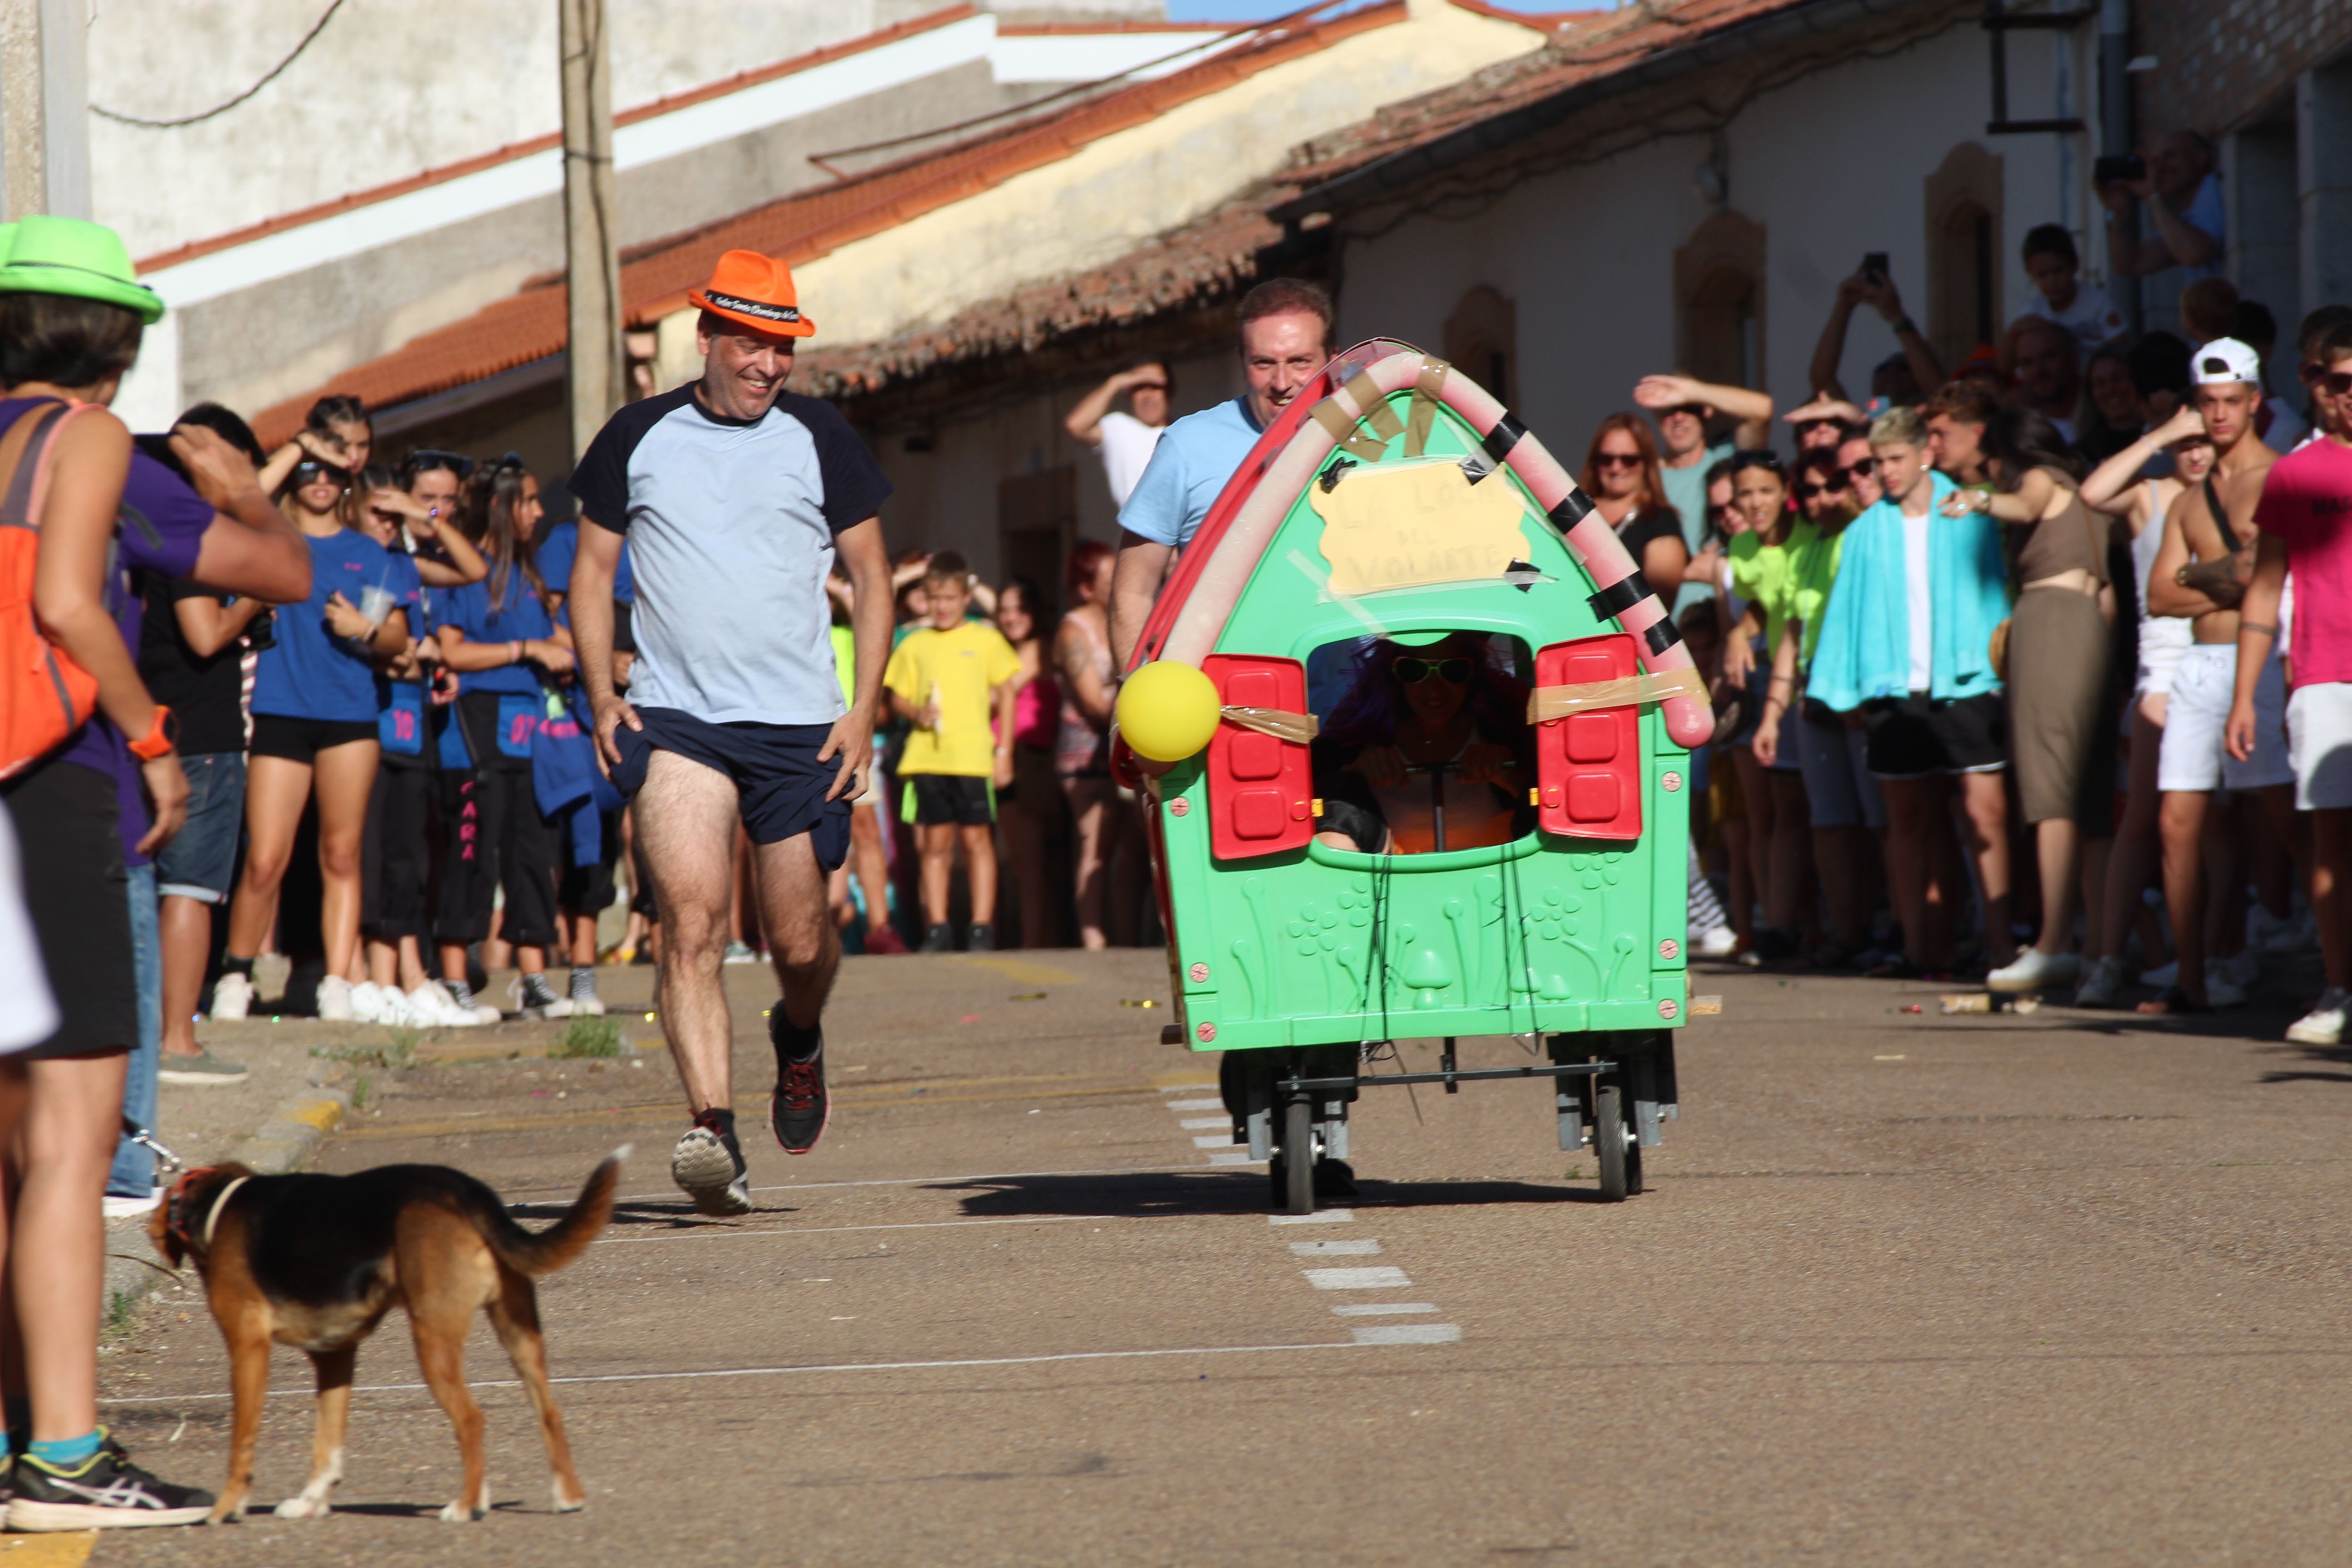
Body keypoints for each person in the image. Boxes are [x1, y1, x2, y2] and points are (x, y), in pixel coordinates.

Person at [0, 215, 309, 1532]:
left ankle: (22, 1435)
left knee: (9, 1146)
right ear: (119, 344)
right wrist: (149, 737)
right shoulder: (84, 440)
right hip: (44, 781)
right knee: (72, 1141)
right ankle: (63, 1455)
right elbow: (71, 603)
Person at [570, 250, 895, 1216]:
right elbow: (592, 576)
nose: (767, 365)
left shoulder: (819, 434)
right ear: (706, 336)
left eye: (783, 347)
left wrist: (865, 707)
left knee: (800, 943)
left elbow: (874, 579)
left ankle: (799, 1036)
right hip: (678, 721)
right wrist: (600, 694)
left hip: (801, 728)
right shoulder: (637, 435)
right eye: (751, 343)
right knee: (692, 925)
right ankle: (712, 1126)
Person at [211, 441, 414, 1024]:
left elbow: (398, 637)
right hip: (280, 709)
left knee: (342, 853)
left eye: (332, 470)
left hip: (350, 715)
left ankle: (336, 979)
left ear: (348, 478)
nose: (320, 479)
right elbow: (238, 499)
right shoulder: (269, 539)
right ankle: (236, 975)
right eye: (309, 468)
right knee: (265, 858)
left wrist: (366, 629)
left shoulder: (367, 551)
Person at [1809, 405, 2015, 977]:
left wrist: (2003, 664)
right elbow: (1847, 612)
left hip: (1968, 679)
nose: (1887, 472)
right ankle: (1921, 948)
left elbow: (1998, 588)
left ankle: (2000, 945)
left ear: (1925, 452)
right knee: (1907, 824)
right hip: (1894, 688)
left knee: (1985, 816)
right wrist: (1844, 687)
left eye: (1895, 459)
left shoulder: (1966, 512)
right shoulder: (1867, 530)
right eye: (1879, 462)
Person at [2139, 338, 2287, 1014]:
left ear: (2255, 401)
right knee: (2177, 822)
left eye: (2231, 402)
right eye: (2208, 404)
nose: (2220, 416)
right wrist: (2218, 578)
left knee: (2287, 816)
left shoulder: (2279, 478)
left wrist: (2200, 575)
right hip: (2199, 665)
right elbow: (2159, 596)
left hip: (2259, 660)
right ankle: (2190, 977)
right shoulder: (2189, 500)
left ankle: (2324, 958)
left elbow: (2261, 577)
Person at [1944, 412, 2112, 994]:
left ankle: (2053, 942)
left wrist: (1980, 499)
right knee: (2087, 798)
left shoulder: (2040, 478)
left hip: (2051, 621)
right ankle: (2098, 949)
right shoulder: (2089, 495)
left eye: (1994, 464)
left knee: (2050, 789)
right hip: (2092, 627)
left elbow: (2026, 504)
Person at [136, 404, 269, 1086]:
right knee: (189, 890)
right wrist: (254, 590)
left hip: (156, 729)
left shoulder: (143, 530)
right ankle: (177, 1041)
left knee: (150, 891)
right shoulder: (191, 538)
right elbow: (206, 634)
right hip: (201, 736)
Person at [2230, 317, 2352, 1043]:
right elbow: (2262, 586)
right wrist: (2246, 695)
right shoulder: (2295, 474)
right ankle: (2339, 987)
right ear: (2316, 384)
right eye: (2340, 383)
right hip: (2322, 674)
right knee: (2332, 835)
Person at [2071, 403, 2214, 1007]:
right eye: (2187, 443)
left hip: (2226, 654)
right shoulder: (2151, 495)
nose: (2196, 453)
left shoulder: (2241, 489)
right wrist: (2160, 435)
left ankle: (2218, 958)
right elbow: (2093, 491)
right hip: (2163, 665)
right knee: (2143, 818)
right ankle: (2107, 957)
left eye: (2204, 441)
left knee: (2223, 825)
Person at [1112, 279, 1329, 667]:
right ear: (1242, 360)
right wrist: (1142, 697)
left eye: (1300, 361)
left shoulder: (1373, 437)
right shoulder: (1188, 446)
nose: (1282, 383)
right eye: (1264, 363)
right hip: (1226, 698)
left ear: (1332, 357)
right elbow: (1134, 591)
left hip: (1352, 701)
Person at [430, 457, 573, 1019]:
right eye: (528, 501)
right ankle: (453, 974)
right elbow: (451, 651)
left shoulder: (530, 576)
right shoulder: (468, 571)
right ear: (499, 505)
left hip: (528, 725)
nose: (538, 512)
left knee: (531, 852)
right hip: (475, 723)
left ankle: (533, 977)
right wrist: (525, 651)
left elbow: (554, 640)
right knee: (474, 851)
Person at [884, 552, 1020, 952]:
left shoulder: (985, 638)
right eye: (934, 599)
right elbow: (897, 698)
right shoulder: (915, 644)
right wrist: (917, 712)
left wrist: (1004, 750)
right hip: (928, 757)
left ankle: (981, 925)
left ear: (966, 598)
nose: (942, 607)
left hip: (973, 758)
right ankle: (938, 926)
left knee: (978, 842)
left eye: (950, 598)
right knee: (935, 845)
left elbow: (1008, 693)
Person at [1311, 634, 1531, 856]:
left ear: (1474, 673)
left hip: (1496, 880)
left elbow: (1551, 806)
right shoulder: (1358, 728)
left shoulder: (1507, 724)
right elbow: (1310, 798)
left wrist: (1510, 779)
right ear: (1392, 673)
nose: (1434, 689)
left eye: (1454, 670)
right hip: (1384, 884)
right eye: (1413, 670)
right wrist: (1353, 777)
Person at [1721, 451, 1813, 959]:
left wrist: (1742, 630)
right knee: (1772, 813)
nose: (1756, 503)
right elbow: (1765, 607)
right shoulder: (1742, 545)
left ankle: (1802, 924)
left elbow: (1793, 609)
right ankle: (1773, 925)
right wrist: (1739, 632)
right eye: (1745, 494)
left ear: (1785, 491)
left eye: (1765, 491)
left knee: (1801, 813)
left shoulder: (1809, 535)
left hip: (1806, 678)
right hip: (1772, 683)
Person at [1056, 538, 1138, 949]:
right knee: (1096, 845)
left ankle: (1125, 938)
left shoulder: (1119, 623)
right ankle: (1094, 940)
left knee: (1133, 849)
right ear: (1087, 586)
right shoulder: (1074, 629)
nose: (1119, 583)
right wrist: (1140, 717)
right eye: (1110, 577)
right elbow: (1090, 702)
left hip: (1125, 745)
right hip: (1086, 753)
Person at [1632, 371, 1773, 609]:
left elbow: (1763, 410)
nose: (1678, 418)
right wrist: (1683, 569)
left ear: (1707, 411)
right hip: (1659, 620)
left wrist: (1693, 391)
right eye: (1668, 411)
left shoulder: (1725, 463)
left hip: (1717, 620)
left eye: (1689, 408)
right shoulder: (1642, 477)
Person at [993, 576, 1063, 949]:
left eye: (1019, 609)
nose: (1011, 617)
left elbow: (993, 695)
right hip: (1009, 758)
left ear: (1034, 613)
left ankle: (1034, 946)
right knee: (1023, 864)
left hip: (1026, 760)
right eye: (1004, 610)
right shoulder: (1007, 649)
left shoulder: (1038, 648)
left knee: (1029, 866)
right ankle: (1035, 940)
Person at [1806, 265, 1947, 418]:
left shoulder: (1933, 425)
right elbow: (1823, 382)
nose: (1891, 372)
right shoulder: (1863, 426)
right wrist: (1844, 306)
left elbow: (1939, 393)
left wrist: (1897, 317)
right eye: (1883, 369)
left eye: (1903, 369)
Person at [1578, 414, 1690, 602]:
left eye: (1628, 460)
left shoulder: (1660, 520)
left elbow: (1658, 601)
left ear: (1646, 463)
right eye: (1606, 459)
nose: (1616, 468)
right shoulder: (1576, 511)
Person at [1064, 359, 1171, 507]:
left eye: (1154, 387)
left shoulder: (1183, 435)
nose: (1148, 395)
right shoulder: (1118, 427)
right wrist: (1116, 382)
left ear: (1169, 391)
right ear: (1128, 392)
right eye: (1139, 387)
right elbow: (1076, 425)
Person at [2016, 224, 2127, 353]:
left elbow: (2120, 350)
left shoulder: (2099, 304)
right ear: (2032, 275)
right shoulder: (2033, 312)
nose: (2052, 281)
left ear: (2075, 265)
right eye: (2043, 275)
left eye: (2059, 270)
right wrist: (2016, 330)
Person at [2003, 315, 2083, 443]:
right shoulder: (2016, 433)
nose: (2038, 370)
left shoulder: (2103, 417)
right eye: (2027, 363)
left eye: (2048, 357)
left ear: (2074, 359)